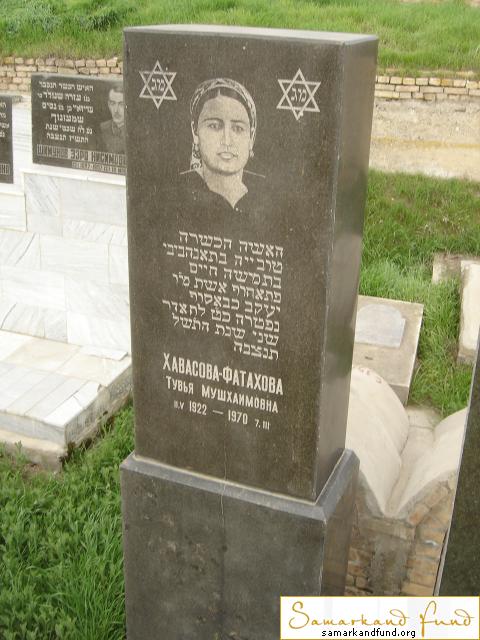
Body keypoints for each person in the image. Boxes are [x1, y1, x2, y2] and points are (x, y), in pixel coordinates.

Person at [181, 77, 263, 214]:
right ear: (195, 131)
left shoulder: (272, 196)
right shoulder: (171, 194)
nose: (227, 140)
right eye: (214, 126)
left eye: (238, 128)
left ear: (252, 137)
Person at [100, 82, 125, 154]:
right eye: (113, 103)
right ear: (108, 105)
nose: (116, 110)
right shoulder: (102, 128)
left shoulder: (136, 132)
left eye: (121, 104)